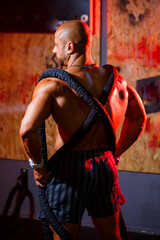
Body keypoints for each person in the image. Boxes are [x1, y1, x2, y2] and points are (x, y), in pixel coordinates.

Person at [19, 20, 146, 240]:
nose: (53, 50)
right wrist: (115, 154)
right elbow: (139, 119)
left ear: (70, 47)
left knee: (63, 236)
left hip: (69, 169)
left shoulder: (53, 85)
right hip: (105, 166)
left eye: (56, 44)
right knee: (111, 236)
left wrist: (39, 168)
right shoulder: (119, 84)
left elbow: (27, 130)